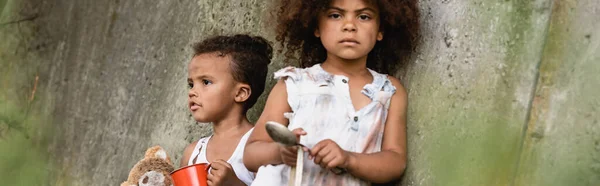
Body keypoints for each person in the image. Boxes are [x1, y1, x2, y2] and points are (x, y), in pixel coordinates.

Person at [243, 0, 419, 185]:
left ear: (380, 30)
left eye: (364, 16)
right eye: (335, 15)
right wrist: (280, 152)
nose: (349, 26)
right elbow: (250, 154)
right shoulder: (295, 83)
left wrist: (349, 159)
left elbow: (395, 162)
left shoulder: (388, 90)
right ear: (316, 26)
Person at [180, 34, 273, 186]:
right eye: (191, 84)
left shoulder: (259, 146)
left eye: (206, 82)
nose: (192, 92)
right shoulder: (192, 154)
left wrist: (235, 184)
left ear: (240, 93)